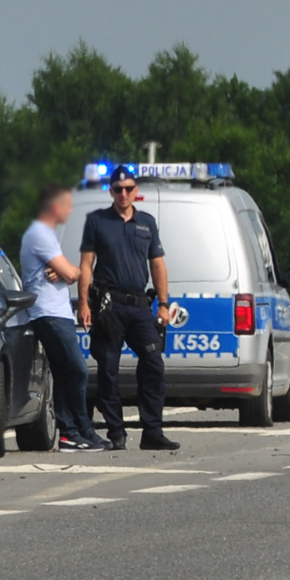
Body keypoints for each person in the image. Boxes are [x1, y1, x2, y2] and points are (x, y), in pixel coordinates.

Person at [76, 165, 181, 451]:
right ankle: (116, 432)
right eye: (118, 189)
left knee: (153, 362)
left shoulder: (147, 223)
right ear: (111, 191)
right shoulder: (97, 222)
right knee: (108, 368)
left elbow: (157, 264)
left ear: (136, 191)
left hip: (139, 307)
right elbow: (86, 265)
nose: (124, 194)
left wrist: (163, 304)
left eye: (129, 188)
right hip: (109, 306)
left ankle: (153, 431)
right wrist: (83, 303)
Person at [20, 184, 109, 452]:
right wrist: (71, 270)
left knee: (64, 373)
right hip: (49, 313)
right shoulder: (40, 234)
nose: (70, 210)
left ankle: (74, 433)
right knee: (77, 371)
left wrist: (66, 269)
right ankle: (77, 430)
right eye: (67, 205)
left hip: (56, 313)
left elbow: (68, 271)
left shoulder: (45, 235)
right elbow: (75, 273)